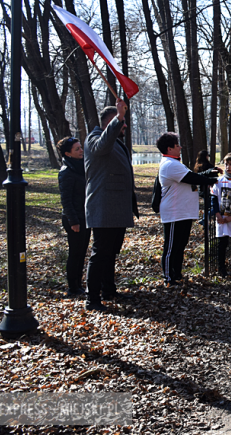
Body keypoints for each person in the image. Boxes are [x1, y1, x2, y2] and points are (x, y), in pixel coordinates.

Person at [83, 101, 138, 311]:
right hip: (104, 207)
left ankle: (108, 290)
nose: (124, 127)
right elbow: (100, 147)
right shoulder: (94, 138)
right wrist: (119, 118)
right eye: (121, 124)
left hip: (116, 208)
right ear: (110, 122)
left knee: (110, 253)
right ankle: (92, 299)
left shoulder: (113, 140)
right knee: (100, 253)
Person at [157, 133, 220, 285]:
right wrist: (213, 180)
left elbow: (191, 175)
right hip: (174, 212)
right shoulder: (169, 164)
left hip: (183, 212)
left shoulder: (176, 163)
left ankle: (177, 273)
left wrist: (207, 174)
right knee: (171, 246)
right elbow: (191, 178)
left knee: (180, 244)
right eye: (177, 145)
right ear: (169, 148)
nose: (180, 147)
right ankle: (168, 276)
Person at [57, 136, 89, 298]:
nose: (81, 151)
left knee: (82, 252)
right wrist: (74, 221)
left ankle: (78, 284)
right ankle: (72, 287)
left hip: (85, 217)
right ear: (68, 154)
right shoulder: (66, 172)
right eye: (77, 149)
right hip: (74, 219)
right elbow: (66, 200)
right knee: (75, 253)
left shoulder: (80, 167)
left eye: (80, 148)